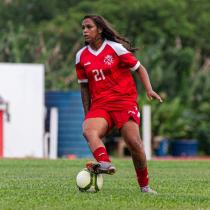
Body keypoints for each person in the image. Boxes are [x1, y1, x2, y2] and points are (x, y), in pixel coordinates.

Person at [75, 15, 162, 194]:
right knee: (88, 130)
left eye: (89, 27)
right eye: (83, 27)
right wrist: (88, 112)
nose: (84, 30)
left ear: (99, 29)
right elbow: (84, 87)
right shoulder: (81, 56)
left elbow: (139, 68)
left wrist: (149, 89)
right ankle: (105, 163)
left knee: (134, 142)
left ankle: (144, 186)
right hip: (100, 105)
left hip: (124, 102)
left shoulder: (115, 48)